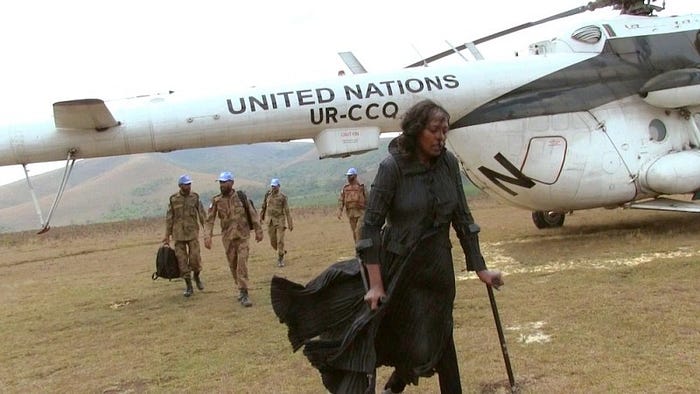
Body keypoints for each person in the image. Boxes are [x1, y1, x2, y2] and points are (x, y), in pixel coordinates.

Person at [271, 99, 504, 393]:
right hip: (399, 268)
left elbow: (463, 218)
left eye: (445, 130)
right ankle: (393, 383)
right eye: (435, 130)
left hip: (437, 269)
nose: (441, 136)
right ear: (417, 130)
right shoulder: (391, 168)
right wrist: (376, 285)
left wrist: (480, 268)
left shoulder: (448, 164)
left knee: (441, 332)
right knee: (394, 335)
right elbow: (370, 227)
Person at [204, 171, 263, 307]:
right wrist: (208, 236)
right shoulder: (217, 201)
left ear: (232, 183)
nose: (222, 185)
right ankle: (240, 287)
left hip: (242, 236)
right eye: (220, 182)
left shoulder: (241, 197)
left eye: (225, 182)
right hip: (228, 238)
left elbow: (253, 214)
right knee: (233, 264)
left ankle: (244, 292)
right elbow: (209, 220)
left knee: (242, 263)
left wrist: (258, 230)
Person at [163, 174, 207, 297]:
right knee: (182, 261)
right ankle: (188, 286)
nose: (188, 186)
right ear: (180, 186)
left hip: (192, 233)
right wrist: (167, 236)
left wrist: (206, 230)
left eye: (189, 184)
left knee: (195, 259)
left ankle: (197, 276)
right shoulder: (173, 199)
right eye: (186, 184)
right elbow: (169, 218)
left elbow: (202, 215)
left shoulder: (195, 197)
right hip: (178, 235)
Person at [260, 178, 294, 267]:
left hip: (280, 221)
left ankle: (280, 259)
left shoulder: (282, 197)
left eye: (275, 186)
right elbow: (263, 207)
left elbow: (287, 210)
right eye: (272, 186)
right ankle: (281, 250)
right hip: (270, 221)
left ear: (279, 186)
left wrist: (290, 223)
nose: (273, 188)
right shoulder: (267, 195)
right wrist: (261, 218)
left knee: (280, 241)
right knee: (273, 242)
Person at [337, 167, 367, 243]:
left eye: (351, 175)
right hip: (351, 214)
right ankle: (358, 248)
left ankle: (360, 247)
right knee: (354, 232)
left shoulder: (361, 187)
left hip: (361, 213)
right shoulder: (345, 188)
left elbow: (368, 198)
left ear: (355, 176)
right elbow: (341, 200)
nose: (349, 177)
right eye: (348, 176)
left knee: (358, 231)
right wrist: (339, 211)